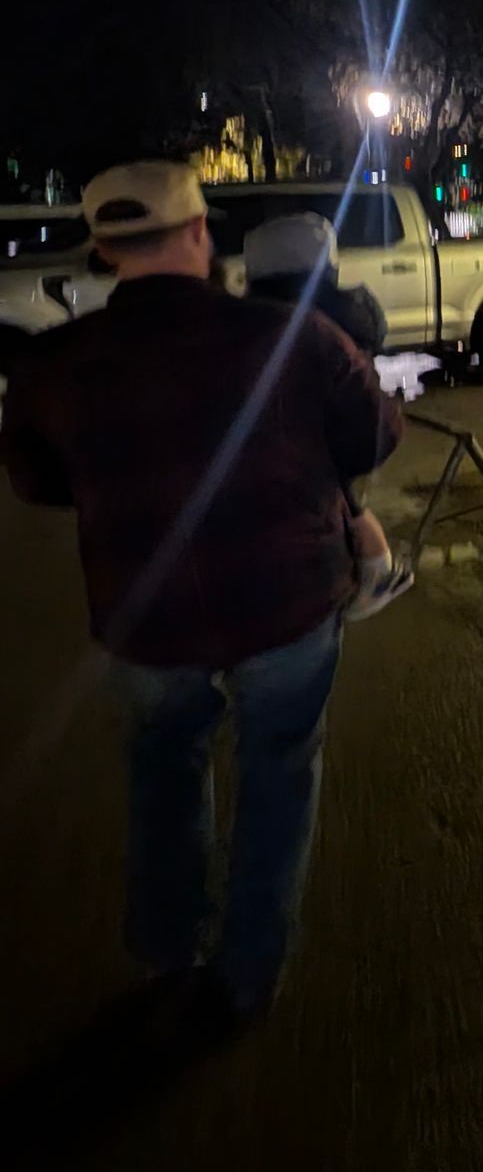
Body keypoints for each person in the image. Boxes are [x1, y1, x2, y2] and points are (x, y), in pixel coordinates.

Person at [0, 160, 404, 1025]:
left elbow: (35, 480)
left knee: (161, 769)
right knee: (278, 773)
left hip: (143, 613)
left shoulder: (53, 366)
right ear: (199, 235)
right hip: (287, 603)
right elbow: (372, 435)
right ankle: (247, 976)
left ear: (105, 250)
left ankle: (165, 949)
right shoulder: (292, 337)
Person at [243, 210, 410, 618]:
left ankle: (375, 570)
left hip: (294, 453)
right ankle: (374, 570)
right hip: (333, 442)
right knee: (342, 499)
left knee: (340, 501)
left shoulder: (251, 323)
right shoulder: (346, 312)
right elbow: (377, 428)